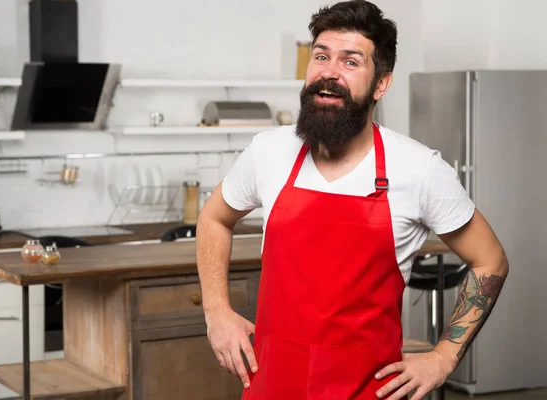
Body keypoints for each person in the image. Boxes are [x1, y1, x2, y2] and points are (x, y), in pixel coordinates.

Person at [195, 1, 509, 399]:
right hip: (271, 386)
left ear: (381, 83)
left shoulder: (418, 169)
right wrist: (216, 311)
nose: (329, 72)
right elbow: (214, 219)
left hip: (365, 392)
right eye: (322, 56)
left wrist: (444, 357)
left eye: (351, 62)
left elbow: (490, 261)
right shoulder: (268, 152)